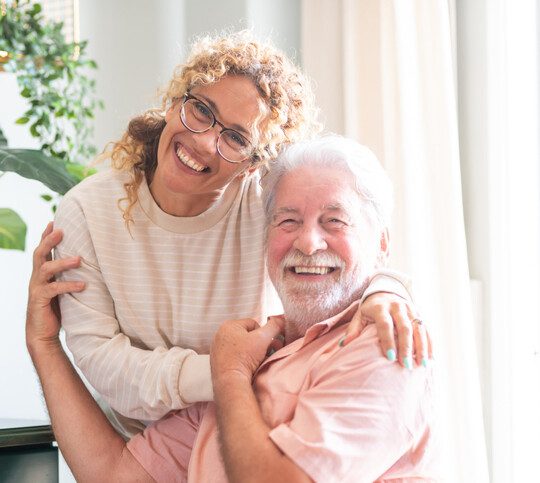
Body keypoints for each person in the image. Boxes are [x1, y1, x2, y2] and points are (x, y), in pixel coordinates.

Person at [27, 31, 428, 438]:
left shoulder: (266, 204)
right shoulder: (86, 212)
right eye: (201, 110)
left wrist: (387, 289)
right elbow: (102, 364)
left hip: (253, 430)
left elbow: (341, 244)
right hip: (143, 451)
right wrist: (224, 370)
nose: (203, 142)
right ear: (173, 104)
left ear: (254, 165)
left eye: (235, 138)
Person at [27, 136, 439, 482]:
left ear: (382, 245)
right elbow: (113, 475)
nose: (308, 243)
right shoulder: (255, 353)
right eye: (288, 221)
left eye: (335, 221)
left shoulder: (386, 346)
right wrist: (45, 346)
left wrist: (229, 376)